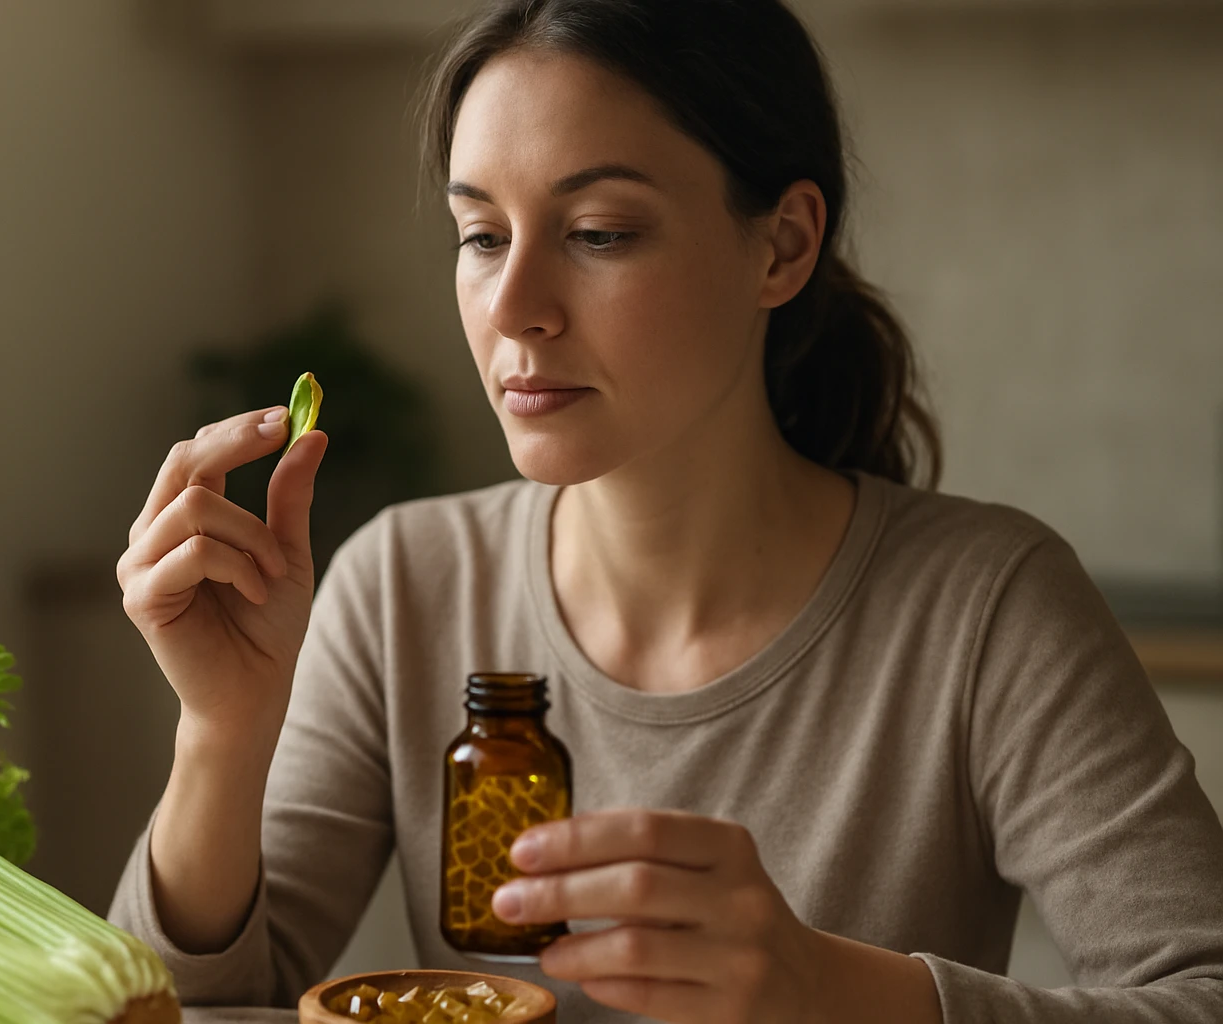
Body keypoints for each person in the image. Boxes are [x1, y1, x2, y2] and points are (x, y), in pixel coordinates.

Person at [109, 1, 1223, 1020]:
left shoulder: (989, 608)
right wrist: (222, 731)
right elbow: (177, 1007)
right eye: (482, 235)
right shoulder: (403, 584)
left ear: (782, 245)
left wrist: (830, 987)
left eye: (598, 232)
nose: (514, 307)